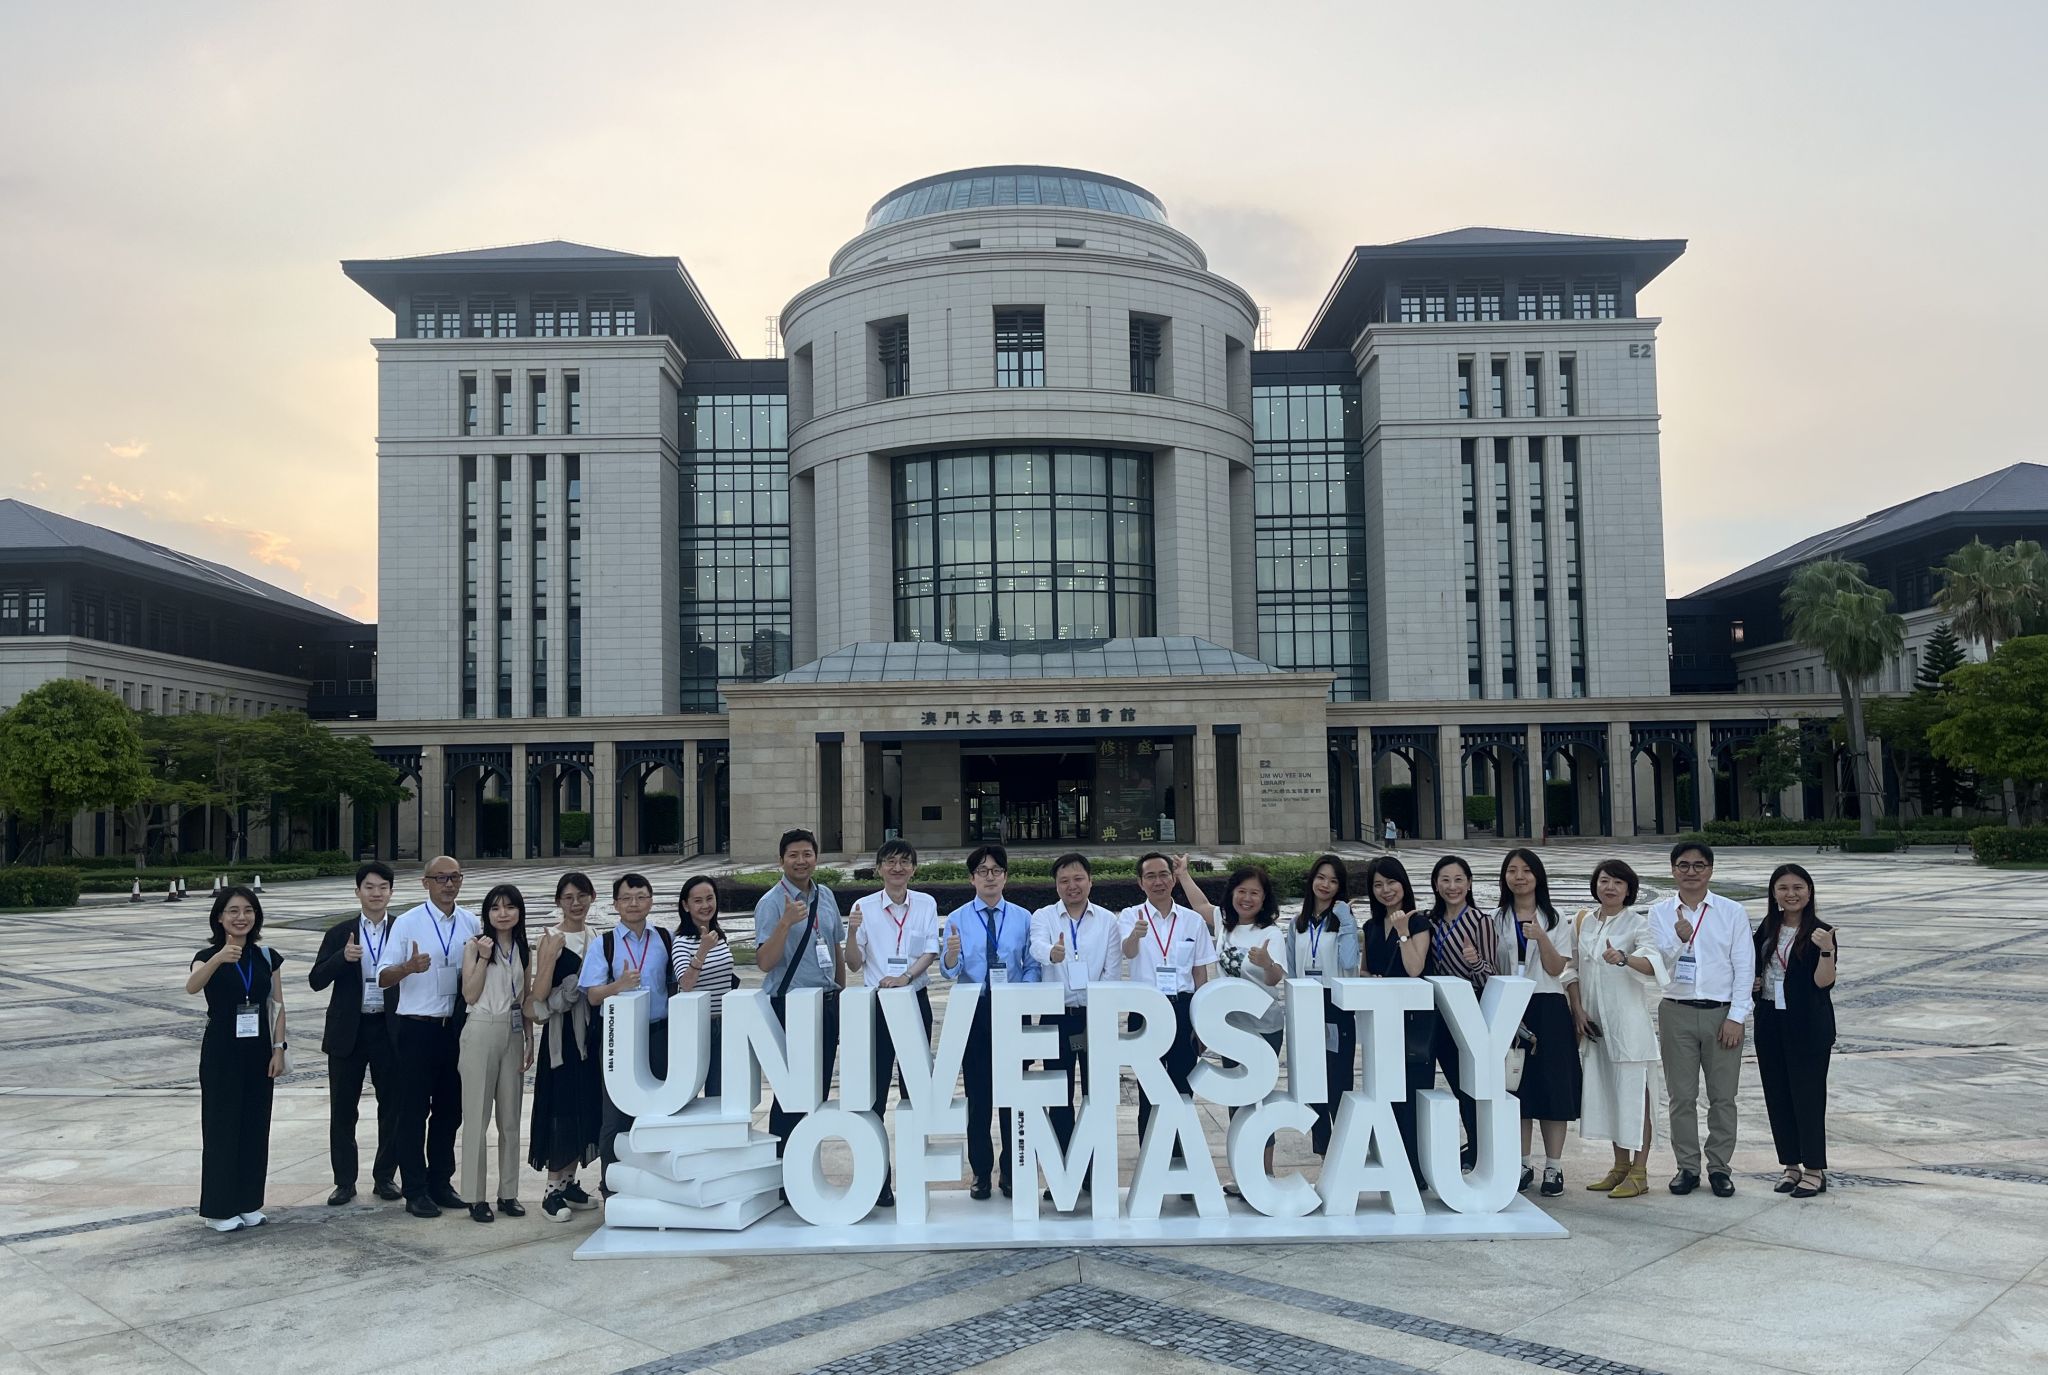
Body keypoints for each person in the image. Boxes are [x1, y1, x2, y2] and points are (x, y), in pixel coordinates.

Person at [1649, 840, 1755, 1198]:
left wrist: (1737, 1016)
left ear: (1710, 870)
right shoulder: (1659, 912)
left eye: (1698, 865)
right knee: (1681, 1096)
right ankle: (1688, 1167)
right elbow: (1657, 966)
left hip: (1721, 1014)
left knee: (1723, 1096)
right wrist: (1679, 941)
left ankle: (1720, 1168)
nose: (1690, 872)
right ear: (1672, 870)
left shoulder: (1731, 912)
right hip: (1676, 1011)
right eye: (1683, 865)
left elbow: (1744, 966)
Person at [377, 855, 481, 1218]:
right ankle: (415, 1189)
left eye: (454, 877)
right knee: (413, 1112)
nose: (448, 884)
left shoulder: (471, 922)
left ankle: (441, 1181)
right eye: (440, 878)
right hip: (417, 1028)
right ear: (426, 883)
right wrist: (408, 967)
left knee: (450, 1111)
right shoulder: (407, 923)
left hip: (455, 1028)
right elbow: (382, 976)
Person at [939, 843, 1042, 1200]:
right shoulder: (957, 918)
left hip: (1013, 1011)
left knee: (1015, 1096)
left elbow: (1032, 964)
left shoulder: (1024, 918)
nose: (990, 877)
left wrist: (1020, 993)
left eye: (996, 871)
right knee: (978, 1098)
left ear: (1006, 876)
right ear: (972, 878)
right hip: (976, 1012)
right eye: (982, 871)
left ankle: (1012, 1170)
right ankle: (981, 1172)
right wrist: (951, 956)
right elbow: (948, 969)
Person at [1177, 859, 1285, 1191]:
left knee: (1259, 1100)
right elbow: (1199, 904)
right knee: (1236, 1099)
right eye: (1242, 891)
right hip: (1228, 1029)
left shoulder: (1270, 933)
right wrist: (1182, 874)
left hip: (1263, 1028)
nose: (1247, 898)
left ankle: (1265, 1173)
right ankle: (1244, 1174)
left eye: (1255, 893)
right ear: (1232, 894)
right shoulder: (1223, 926)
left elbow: (1277, 978)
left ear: (1264, 900)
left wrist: (1266, 963)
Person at [844, 840, 938, 1208]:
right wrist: (851, 932)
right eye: (890, 862)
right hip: (878, 1006)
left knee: (915, 1092)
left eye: (904, 862)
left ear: (914, 868)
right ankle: (878, 1180)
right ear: (879, 868)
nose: (897, 868)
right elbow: (854, 964)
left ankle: (915, 1176)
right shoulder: (863, 907)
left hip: (914, 1000)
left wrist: (906, 978)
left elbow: (930, 948)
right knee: (875, 1093)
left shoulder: (925, 903)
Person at [186, 885, 286, 1232]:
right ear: (219, 917)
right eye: (233, 911)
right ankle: (218, 1208)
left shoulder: (266, 956)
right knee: (222, 1127)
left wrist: (279, 1049)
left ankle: (247, 1202)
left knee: (255, 1127)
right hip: (222, 1051)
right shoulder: (207, 954)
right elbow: (192, 986)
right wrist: (218, 958)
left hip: (259, 1050)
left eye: (248, 910)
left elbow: (277, 1006)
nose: (241, 917)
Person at [1566, 859, 1665, 1200]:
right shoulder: (1583, 922)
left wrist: (1624, 958)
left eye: (1618, 883)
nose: (1610, 888)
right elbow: (1570, 968)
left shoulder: (1638, 925)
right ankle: (1619, 1166)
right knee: (1610, 1094)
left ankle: (1640, 1170)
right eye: (1605, 881)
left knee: (1636, 1098)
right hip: (1595, 1026)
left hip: (1628, 1026)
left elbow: (1653, 963)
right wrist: (1578, 1010)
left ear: (1628, 889)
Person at [308, 860, 402, 1206]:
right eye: (369, 887)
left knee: (391, 1106)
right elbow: (316, 980)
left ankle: (385, 1177)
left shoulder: (402, 930)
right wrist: (341, 958)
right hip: (349, 1029)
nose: (376, 894)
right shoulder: (339, 932)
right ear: (358, 891)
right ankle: (344, 1181)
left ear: (391, 892)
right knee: (343, 1109)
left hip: (389, 1029)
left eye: (382, 887)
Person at [1118, 851, 1218, 1163]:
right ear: (1140, 882)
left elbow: (1200, 973)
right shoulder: (1129, 916)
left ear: (1173, 879)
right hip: (1145, 1011)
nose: (1158, 881)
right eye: (1150, 876)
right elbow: (1128, 951)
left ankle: (1183, 1163)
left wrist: (1202, 1022)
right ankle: (1153, 1161)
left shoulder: (1192, 921)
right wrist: (1135, 936)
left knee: (1182, 1086)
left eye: (1164, 874)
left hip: (1182, 1008)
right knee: (1149, 1090)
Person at [1492, 848, 1581, 1196]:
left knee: (1553, 1087)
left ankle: (1554, 1167)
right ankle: (1522, 1163)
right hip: (1510, 1004)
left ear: (1538, 876)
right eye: (1512, 870)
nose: (1519, 877)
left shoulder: (1556, 919)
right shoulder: (1496, 918)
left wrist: (1541, 936)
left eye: (1526, 870)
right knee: (1516, 1087)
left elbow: (1557, 968)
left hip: (1548, 1006)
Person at [753, 829, 846, 1161]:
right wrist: (785, 924)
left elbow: (834, 946)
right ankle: (783, 1169)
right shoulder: (771, 903)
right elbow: (765, 962)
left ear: (816, 858)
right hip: (790, 1006)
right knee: (791, 1093)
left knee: (817, 1090)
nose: (801, 861)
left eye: (807, 854)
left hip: (826, 1004)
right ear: (781, 860)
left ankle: (806, 1164)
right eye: (793, 855)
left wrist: (840, 993)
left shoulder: (826, 895)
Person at [581, 873, 676, 1192]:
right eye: (626, 898)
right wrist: (618, 986)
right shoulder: (604, 944)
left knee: (659, 1112)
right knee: (616, 1116)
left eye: (641, 897)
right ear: (615, 905)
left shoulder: (664, 938)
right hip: (618, 1039)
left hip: (659, 1035)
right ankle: (612, 1187)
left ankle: (653, 1185)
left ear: (651, 901)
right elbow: (592, 996)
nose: (634, 903)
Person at [1028, 852, 1122, 1159]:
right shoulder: (1043, 916)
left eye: (1078, 878)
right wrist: (1052, 954)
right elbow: (1037, 945)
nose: (1072, 886)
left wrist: (1102, 1010)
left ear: (1090, 881)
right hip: (1057, 1016)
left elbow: (1112, 970)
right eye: (1064, 880)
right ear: (1056, 886)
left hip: (1095, 1016)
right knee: (1058, 1093)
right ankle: (1063, 1162)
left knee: (1097, 1093)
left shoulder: (1108, 920)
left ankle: (1095, 1165)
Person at [1752, 863, 1837, 1199]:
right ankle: (1790, 1165)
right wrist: (1754, 984)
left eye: (1798, 887)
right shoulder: (1766, 930)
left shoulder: (1822, 931)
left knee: (1809, 1095)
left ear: (1809, 891)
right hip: (1771, 1019)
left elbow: (1823, 982)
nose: (1791, 894)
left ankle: (1815, 1169)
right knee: (1778, 1094)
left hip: (1808, 1024)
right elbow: (1754, 968)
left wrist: (1826, 949)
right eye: (1783, 888)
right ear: (1774, 894)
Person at [527, 872, 603, 1222]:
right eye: (569, 897)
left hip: (587, 1038)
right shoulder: (552, 939)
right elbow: (538, 997)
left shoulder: (595, 936)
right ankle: (551, 1189)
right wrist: (552, 959)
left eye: (582, 896)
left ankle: (571, 1182)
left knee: (582, 1107)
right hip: (560, 1041)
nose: (576, 903)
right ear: (559, 900)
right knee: (559, 1111)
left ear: (592, 898)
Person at [457, 883, 533, 1222]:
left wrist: (530, 1039)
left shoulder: (523, 948)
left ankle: (508, 1193)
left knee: (511, 1120)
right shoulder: (474, 947)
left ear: (519, 911)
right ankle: (475, 1197)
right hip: (481, 1029)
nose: (503, 914)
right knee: (476, 1118)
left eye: (510, 907)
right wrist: (485, 958)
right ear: (487, 914)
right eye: (496, 908)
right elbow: (469, 995)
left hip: (513, 1032)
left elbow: (525, 998)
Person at [1357, 856, 1432, 1187]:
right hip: (1381, 1022)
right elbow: (1363, 970)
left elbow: (1415, 969)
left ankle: (1416, 1171)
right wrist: (1369, 979)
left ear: (1403, 884)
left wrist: (1402, 932)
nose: (1385, 890)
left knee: (1413, 1096)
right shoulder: (1371, 927)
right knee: (1385, 1094)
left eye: (1391, 882)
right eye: (1378, 885)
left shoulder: (1419, 923)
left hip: (1413, 1022)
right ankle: (1390, 1164)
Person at [1287, 854, 1362, 1157]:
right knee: (1312, 1079)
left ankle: (1344, 1148)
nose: (1326, 885)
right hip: (1307, 1003)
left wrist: (1346, 921)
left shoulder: (1344, 921)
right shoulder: (1298, 923)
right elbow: (1292, 969)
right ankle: (1323, 1149)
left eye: (1333, 880)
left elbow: (1347, 961)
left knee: (1339, 1077)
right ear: (1312, 880)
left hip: (1336, 1005)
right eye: (1321, 877)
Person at [1426, 854, 1494, 1167]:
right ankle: (1473, 1143)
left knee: (1470, 1083)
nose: (1452, 886)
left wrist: (1473, 962)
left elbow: (1491, 975)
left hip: (1469, 1010)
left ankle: (1481, 1147)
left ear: (1468, 884)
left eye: (1458, 880)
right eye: (1445, 880)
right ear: (1436, 885)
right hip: (1437, 1011)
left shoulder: (1480, 921)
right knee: (1452, 1080)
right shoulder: (1430, 921)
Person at [674, 875, 739, 1102]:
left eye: (710, 898)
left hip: (725, 1022)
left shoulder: (719, 936)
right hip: (697, 1025)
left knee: (719, 1092)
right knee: (688, 1094)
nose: (705, 906)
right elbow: (686, 983)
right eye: (698, 900)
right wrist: (702, 951)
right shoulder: (681, 941)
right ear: (685, 905)